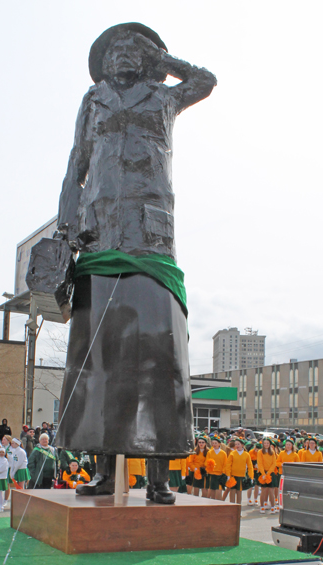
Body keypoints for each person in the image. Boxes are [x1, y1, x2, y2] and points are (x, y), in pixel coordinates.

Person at [54, 23, 216, 505]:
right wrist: (65, 228)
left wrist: (161, 60)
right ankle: (105, 472)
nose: (122, 56)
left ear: (147, 58)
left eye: (132, 49)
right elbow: (76, 165)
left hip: (150, 239)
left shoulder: (164, 98)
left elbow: (206, 80)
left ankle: (159, 478)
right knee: (101, 358)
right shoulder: (94, 99)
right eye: (114, 50)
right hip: (99, 233)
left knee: (157, 355)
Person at [224, 438, 254, 506]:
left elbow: (250, 466)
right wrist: (228, 475)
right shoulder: (232, 453)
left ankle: (238, 509)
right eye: (236, 444)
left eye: (238, 444)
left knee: (239, 493)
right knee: (232, 492)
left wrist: (251, 476)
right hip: (233, 476)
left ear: (242, 445)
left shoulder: (246, 454)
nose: (237, 445)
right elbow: (228, 465)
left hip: (241, 476)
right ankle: (231, 509)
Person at [205, 436, 227, 500]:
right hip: (211, 474)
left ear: (219, 444)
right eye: (213, 443)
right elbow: (206, 462)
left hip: (220, 474)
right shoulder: (210, 452)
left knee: (219, 491)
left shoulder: (223, 453)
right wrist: (210, 467)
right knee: (212, 491)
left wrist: (223, 472)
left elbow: (225, 464)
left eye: (216, 443)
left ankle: (219, 506)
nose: (214, 445)